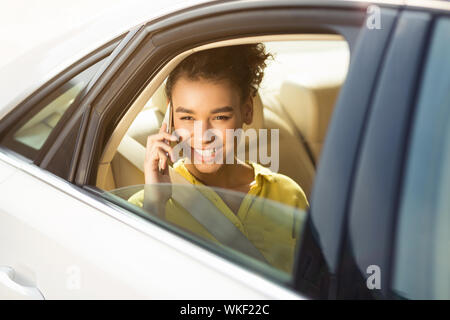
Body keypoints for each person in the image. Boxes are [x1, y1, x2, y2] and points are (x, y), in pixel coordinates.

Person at [128, 43, 308, 273]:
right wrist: (155, 205)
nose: (203, 136)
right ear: (171, 117)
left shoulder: (287, 194)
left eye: (220, 117)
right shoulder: (145, 205)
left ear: (247, 111)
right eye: (187, 118)